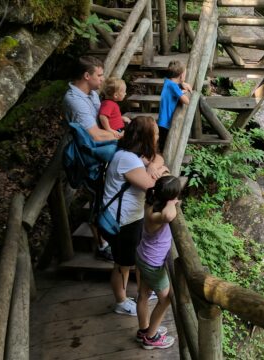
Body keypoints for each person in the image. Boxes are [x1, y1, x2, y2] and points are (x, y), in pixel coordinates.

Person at [101, 116, 168, 316]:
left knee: (132, 259)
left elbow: (158, 157)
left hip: (131, 217)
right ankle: (121, 301)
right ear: (146, 136)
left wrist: (154, 166)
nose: (158, 136)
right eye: (155, 133)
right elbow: (153, 187)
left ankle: (142, 291)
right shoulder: (127, 159)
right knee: (122, 264)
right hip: (121, 221)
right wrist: (160, 171)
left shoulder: (133, 154)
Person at [63, 56, 119, 260]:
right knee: (99, 199)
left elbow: (102, 123)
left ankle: (111, 235)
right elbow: (93, 135)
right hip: (89, 159)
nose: (103, 79)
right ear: (87, 76)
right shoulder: (74, 100)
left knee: (106, 196)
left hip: (102, 153)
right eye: (99, 75)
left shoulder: (91, 94)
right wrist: (121, 137)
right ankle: (102, 245)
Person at [135, 176, 181, 350]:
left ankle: (144, 330)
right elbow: (169, 215)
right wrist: (172, 202)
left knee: (143, 295)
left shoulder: (150, 203)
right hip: (152, 264)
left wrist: (168, 199)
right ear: (169, 196)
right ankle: (151, 338)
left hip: (142, 255)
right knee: (166, 300)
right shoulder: (159, 216)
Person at [157, 60, 193, 152]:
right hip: (166, 122)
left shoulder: (167, 81)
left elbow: (175, 87)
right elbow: (187, 101)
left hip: (162, 120)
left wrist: (182, 84)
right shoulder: (173, 86)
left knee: (162, 143)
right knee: (164, 147)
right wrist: (183, 91)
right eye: (185, 73)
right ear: (181, 75)